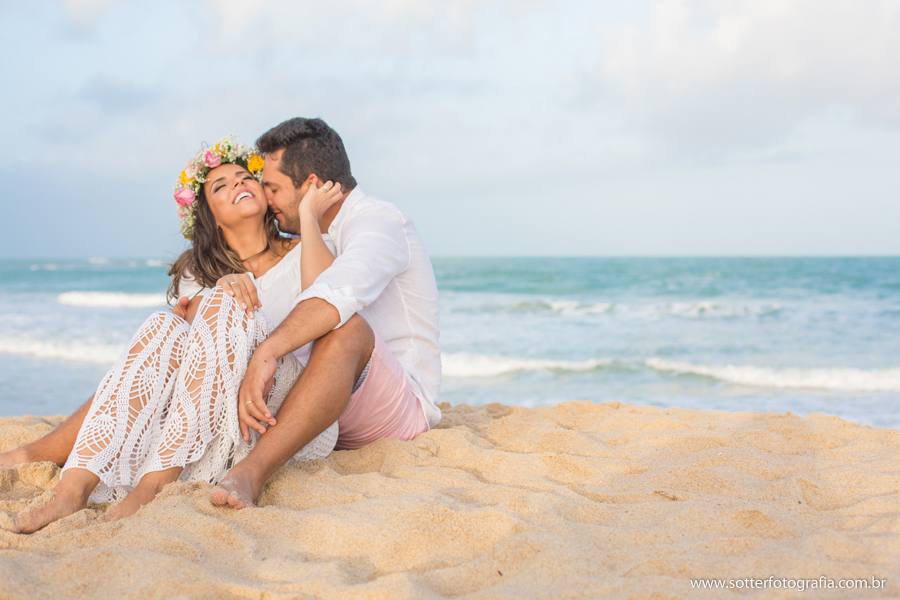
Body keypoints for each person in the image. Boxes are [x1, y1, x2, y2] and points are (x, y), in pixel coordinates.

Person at [1, 136, 345, 533]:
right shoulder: (195, 272)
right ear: (211, 216)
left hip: (285, 412)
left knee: (220, 302)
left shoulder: (307, 247)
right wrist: (224, 288)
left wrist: (307, 217)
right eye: (221, 185)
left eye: (244, 177)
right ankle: (72, 490)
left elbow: (328, 302)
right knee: (162, 323)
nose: (237, 184)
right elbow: (190, 338)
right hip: (219, 417)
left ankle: (152, 487)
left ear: (266, 196)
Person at [209, 117, 443, 509]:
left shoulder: (378, 221)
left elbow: (336, 295)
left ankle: (252, 471)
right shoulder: (315, 236)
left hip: (400, 412)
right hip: (331, 408)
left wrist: (268, 351)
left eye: (274, 188)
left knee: (345, 328)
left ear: (312, 185)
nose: (267, 200)